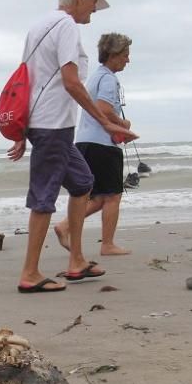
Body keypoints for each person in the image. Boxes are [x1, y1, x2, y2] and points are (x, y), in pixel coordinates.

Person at [8, 0, 115, 293]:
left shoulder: (39, 25)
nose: (94, 11)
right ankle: (29, 273)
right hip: (53, 124)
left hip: (48, 124)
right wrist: (104, 120)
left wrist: (21, 129)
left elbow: (24, 79)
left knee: (82, 182)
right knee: (43, 198)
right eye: (95, 3)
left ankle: (77, 260)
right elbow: (71, 81)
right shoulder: (66, 26)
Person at [54, 33, 139, 256]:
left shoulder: (94, 77)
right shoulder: (109, 78)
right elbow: (103, 108)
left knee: (98, 197)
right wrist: (123, 125)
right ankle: (107, 244)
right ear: (113, 55)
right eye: (125, 55)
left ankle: (65, 226)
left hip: (84, 141)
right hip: (102, 144)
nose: (128, 60)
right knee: (113, 195)